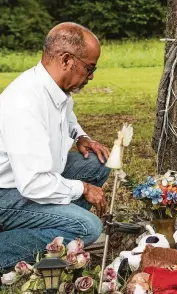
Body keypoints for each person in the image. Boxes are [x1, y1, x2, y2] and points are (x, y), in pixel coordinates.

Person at [0, 22, 111, 274]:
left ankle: (53, 232)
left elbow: (66, 115)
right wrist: (81, 188)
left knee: (97, 162)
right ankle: (14, 249)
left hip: (30, 180)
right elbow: (34, 184)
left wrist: (81, 136)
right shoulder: (24, 104)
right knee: (89, 227)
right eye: (90, 68)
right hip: (7, 192)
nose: (91, 76)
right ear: (66, 60)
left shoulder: (54, 87)